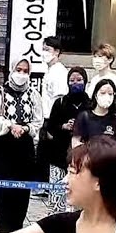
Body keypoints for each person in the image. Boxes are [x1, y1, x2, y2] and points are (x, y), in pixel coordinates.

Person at [0, 58, 44, 233]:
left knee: (22, 189)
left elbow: (38, 121)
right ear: (12, 70)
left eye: (26, 71)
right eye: (19, 69)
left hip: (24, 147)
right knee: (4, 188)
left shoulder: (33, 94)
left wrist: (25, 128)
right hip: (5, 146)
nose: (22, 74)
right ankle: (3, 229)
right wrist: (10, 125)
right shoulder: (0, 92)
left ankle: (17, 228)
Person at [39, 68, 89, 213]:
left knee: (80, 203)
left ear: (85, 81)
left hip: (82, 160)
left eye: (79, 80)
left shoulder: (90, 104)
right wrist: (64, 126)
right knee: (57, 202)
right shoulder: (60, 103)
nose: (75, 83)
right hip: (59, 158)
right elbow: (50, 127)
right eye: (72, 80)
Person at [73, 78, 116, 147]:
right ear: (96, 95)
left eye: (110, 94)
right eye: (103, 93)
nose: (106, 96)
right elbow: (75, 142)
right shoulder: (84, 117)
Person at [41, 35, 69, 107]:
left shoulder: (60, 72)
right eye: (43, 49)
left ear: (57, 51)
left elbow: (60, 97)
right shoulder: (50, 71)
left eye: (47, 50)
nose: (44, 53)